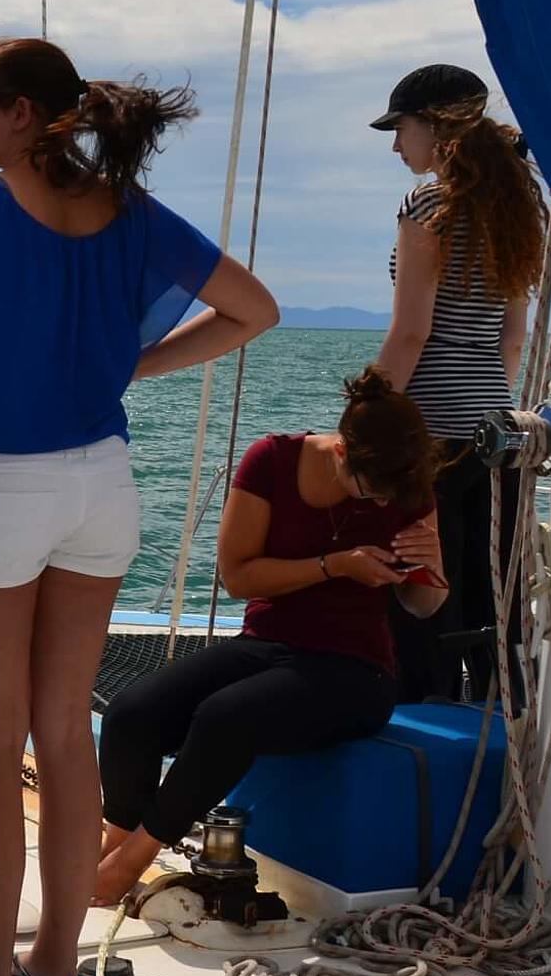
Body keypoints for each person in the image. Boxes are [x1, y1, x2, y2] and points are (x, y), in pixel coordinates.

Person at [0, 37, 278, 976]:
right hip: (99, 485)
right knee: (64, 732)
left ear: (24, 114)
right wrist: (122, 368)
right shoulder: (131, 214)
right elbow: (253, 309)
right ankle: (53, 966)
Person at [95, 370, 445, 903]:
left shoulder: (404, 487)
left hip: (356, 670)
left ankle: (132, 860)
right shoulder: (273, 462)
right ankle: (115, 843)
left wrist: (433, 569)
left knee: (224, 717)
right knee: (130, 714)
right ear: (342, 452)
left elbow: (424, 605)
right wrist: (335, 566)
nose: (380, 505)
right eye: (370, 492)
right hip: (265, 644)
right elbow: (237, 577)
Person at [366, 64, 545, 704]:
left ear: (437, 128)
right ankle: (507, 729)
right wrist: (488, 405)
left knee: (421, 598)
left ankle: (425, 725)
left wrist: (366, 419)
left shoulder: (431, 206)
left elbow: (411, 333)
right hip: (496, 433)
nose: (395, 146)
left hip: (428, 439)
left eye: (401, 128)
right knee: (495, 597)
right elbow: (513, 337)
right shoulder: (521, 207)